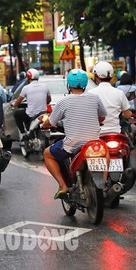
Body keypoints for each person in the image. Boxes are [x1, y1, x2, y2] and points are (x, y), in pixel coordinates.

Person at [41, 69, 106, 199]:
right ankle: (104, 180)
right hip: (94, 143)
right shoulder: (95, 98)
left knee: (47, 154)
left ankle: (62, 185)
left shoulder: (63, 101)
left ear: (68, 85)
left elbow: (50, 122)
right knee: (105, 150)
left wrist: (44, 125)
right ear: (85, 84)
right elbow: (102, 117)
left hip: (72, 144)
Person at [88, 61, 132, 135]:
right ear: (111, 76)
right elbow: (128, 115)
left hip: (97, 134)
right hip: (115, 133)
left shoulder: (90, 93)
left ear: (96, 76)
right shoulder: (119, 93)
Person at [11, 68, 51, 140]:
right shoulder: (46, 86)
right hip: (43, 113)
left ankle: (23, 134)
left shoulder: (26, 88)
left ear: (28, 78)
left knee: (16, 114)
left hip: (31, 114)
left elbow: (18, 101)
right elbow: (49, 100)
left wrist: (14, 104)